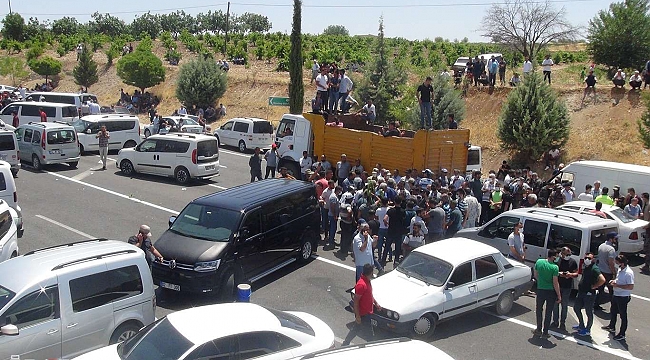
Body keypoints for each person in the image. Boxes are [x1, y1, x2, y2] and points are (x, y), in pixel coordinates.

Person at [341, 264, 381, 346]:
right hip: (363, 313)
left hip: (367, 312)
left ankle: (345, 343)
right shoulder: (361, 285)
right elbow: (356, 302)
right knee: (370, 335)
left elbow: (370, 295)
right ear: (370, 272)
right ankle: (371, 346)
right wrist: (358, 316)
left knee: (356, 329)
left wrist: (376, 303)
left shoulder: (367, 281)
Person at [573, 252, 606, 337]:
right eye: (586, 257)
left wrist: (595, 286)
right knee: (576, 308)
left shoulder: (594, 268)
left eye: (589, 258)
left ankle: (587, 329)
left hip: (589, 294)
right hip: (581, 292)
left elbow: (602, 279)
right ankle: (581, 325)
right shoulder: (585, 266)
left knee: (588, 312)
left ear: (593, 260)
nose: (587, 259)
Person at [603, 255, 635, 341]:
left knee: (623, 315)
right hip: (616, 294)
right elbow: (618, 279)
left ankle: (622, 333)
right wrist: (614, 282)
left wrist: (618, 285)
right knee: (613, 311)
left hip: (623, 297)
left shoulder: (628, 273)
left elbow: (630, 286)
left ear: (622, 263)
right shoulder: (620, 269)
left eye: (617, 263)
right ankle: (612, 326)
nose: (616, 264)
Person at [532, 249, 562, 339]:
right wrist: (559, 295)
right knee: (548, 312)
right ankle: (545, 332)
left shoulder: (539, 262)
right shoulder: (554, 267)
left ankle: (538, 329)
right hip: (551, 292)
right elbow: (555, 282)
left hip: (540, 289)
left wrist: (541, 282)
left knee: (539, 310)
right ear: (553, 257)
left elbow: (536, 274)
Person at [551, 247, 578, 331]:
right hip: (557, 285)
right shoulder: (557, 261)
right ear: (562, 254)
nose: (568, 256)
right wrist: (560, 274)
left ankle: (563, 322)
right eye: (567, 254)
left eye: (569, 254)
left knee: (564, 305)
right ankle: (555, 321)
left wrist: (570, 275)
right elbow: (552, 270)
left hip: (567, 287)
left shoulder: (572, 262)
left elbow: (576, 273)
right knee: (555, 304)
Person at [595, 232, 618, 311]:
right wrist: (614, 272)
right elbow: (611, 263)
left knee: (600, 289)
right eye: (615, 238)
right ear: (611, 239)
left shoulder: (601, 246)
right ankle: (614, 308)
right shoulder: (611, 249)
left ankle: (596, 304)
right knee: (612, 291)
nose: (616, 240)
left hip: (601, 271)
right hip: (608, 273)